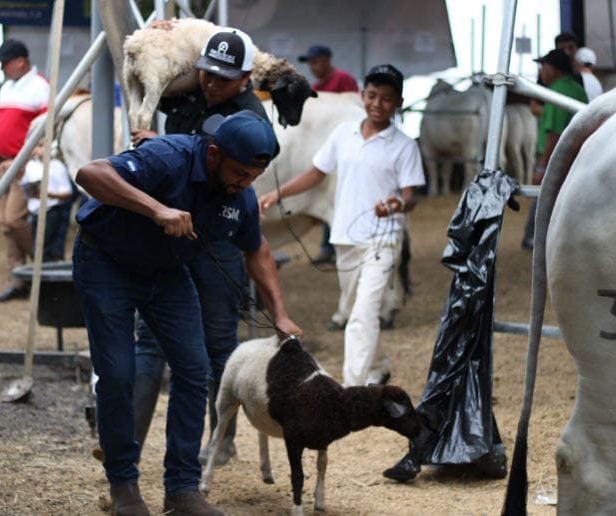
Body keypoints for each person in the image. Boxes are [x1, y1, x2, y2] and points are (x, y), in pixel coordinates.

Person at [74, 110, 302, 516]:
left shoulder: (240, 197)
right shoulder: (168, 156)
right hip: (106, 262)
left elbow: (256, 249)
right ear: (213, 154)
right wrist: (156, 209)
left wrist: (280, 315)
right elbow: (89, 174)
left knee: (195, 370)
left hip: (166, 273)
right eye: (240, 173)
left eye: (254, 176)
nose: (245, 183)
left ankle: (181, 488)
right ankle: (123, 484)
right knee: (118, 373)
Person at [127, 27, 270, 468]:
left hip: (217, 239)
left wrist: (165, 145)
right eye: (207, 72)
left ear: (245, 79)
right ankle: (126, 444)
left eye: (223, 78)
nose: (211, 82)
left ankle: (221, 439)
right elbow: (143, 83)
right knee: (148, 340)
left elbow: (222, 164)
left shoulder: (251, 118)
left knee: (218, 342)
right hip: (169, 235)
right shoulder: (186, 95)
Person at [259, 64, 425, 387]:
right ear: (363, 96)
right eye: (372, 96)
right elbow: (316, 173)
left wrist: (396, 204)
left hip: (382, 240)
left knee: (362, 314)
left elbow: (410, 196)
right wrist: (277, 194)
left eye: (386, 98)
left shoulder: (405, 146)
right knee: (353, 310)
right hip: (345, 238)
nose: (377, 104)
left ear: (399, 103)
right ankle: (379, 366)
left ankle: (352, 387)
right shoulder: (342, 134)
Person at [0, 39, 50, 302]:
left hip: (24, 165)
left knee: (14, 219)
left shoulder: (40, 87)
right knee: (5, 224)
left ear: (20, 62)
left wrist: (32, 155)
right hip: (3, 162)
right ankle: (18, 279)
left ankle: (42, 266)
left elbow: (49, 128)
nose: (2, 68)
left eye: (5, 63)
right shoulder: (7, 87)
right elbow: (5, 123)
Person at [297, 44, 358, 267]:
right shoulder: (315, 88)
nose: (312, 67)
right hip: (324, 150)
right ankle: (328, 247)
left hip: (345, 151)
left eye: (315, 62)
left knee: (338, 197)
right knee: (329, 197)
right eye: (310, 63)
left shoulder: (344, 81)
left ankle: (336, 247)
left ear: (327, 60)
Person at [521, 49, 587, 249]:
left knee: (543, 195)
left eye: (544, 66)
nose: (541, 71)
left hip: (555, 155)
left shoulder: (555, 91)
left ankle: (533, 237)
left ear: (554, 69)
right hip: (579, 153)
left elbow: (554, 134)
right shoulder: (578, 89)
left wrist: (542, 166)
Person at [20, 140, 73, 262]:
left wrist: (48, 195)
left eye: (40, 146)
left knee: (42, 250)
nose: (37, 149)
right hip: (34, 212)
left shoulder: (57, 166)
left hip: (51, 212)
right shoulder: (30, 165)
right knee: (37, 250)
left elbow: (67, 193)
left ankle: (49, 271)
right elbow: (24, 186)